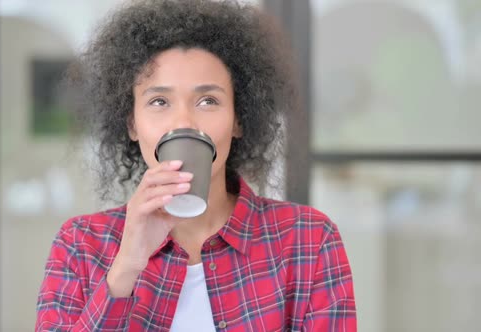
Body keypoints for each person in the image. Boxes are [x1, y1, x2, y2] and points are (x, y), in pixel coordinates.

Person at [36, 0, 356, 331]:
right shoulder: (80, 244)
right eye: (159, 101)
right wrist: (127, 263)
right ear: (131, 124)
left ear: (238, 120)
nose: (184, 121)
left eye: (208, 101)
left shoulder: (308, 240)